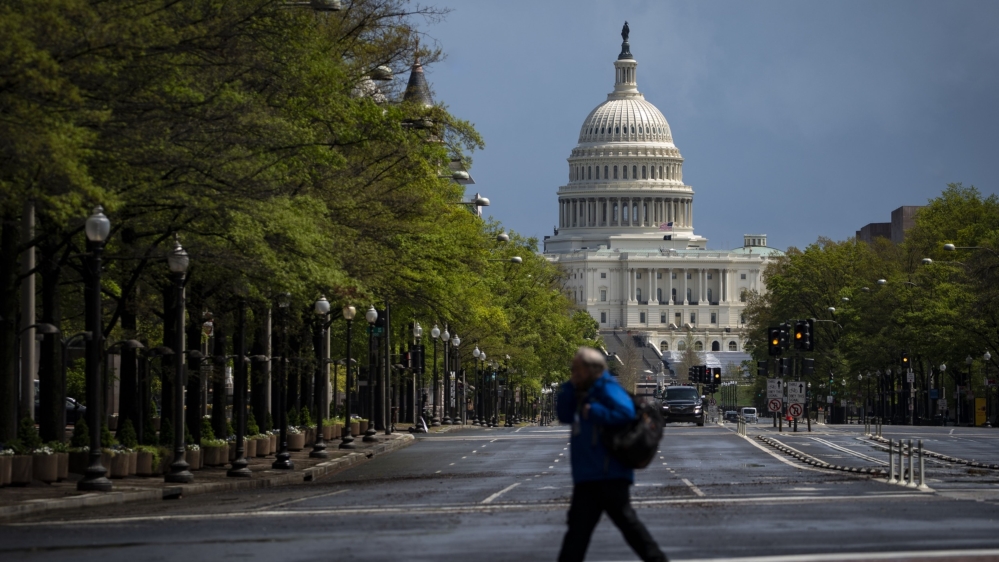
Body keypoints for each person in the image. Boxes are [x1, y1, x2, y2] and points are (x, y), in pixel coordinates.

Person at [556, 347, 667, 562]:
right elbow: (564, 414)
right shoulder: (581, 392)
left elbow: (625, 412)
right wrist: (570, 386)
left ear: (590, 370)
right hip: (587, 475)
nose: (573, 372)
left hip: (610, 473)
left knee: (628, 527)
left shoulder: (607, 388)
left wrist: (595, 412)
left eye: (577, 369)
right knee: (577, 534)